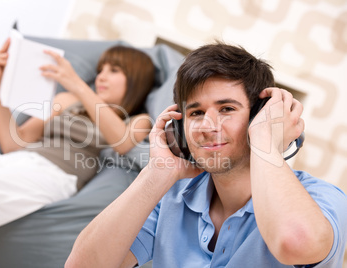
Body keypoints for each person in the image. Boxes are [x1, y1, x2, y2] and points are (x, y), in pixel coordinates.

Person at [65, 42, 347, 268]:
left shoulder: (323, 199)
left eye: (227, 109)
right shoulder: (172, 197)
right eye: (196, 113)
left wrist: (265, 142)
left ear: (259, 116)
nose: (207, 127)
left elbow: (295, 243)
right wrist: (157, 172)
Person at [0, 39, 155, 247]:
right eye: (101, 69)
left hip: (51, 177)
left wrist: (78, 84)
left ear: (135, 80)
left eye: (114, 70)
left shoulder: (137, 120)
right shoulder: (67, 100)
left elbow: (124, 143)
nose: (101, 76)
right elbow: (13, 144)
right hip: (11, 162)